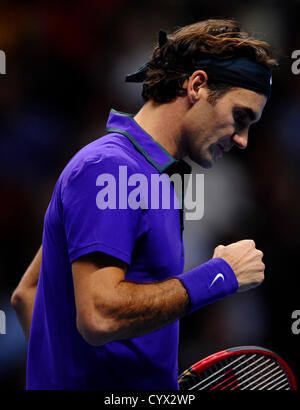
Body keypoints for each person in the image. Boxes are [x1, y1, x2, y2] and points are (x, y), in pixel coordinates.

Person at [11, 18, 277, 390]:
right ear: (197, 85)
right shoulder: (114, 168)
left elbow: (29, 293)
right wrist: (220, 276)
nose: (243, 139)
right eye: (240, 116)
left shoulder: (142, 174)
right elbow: (100, 315)